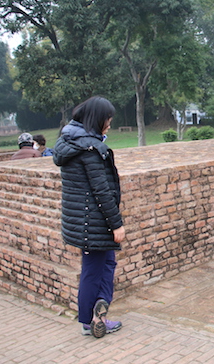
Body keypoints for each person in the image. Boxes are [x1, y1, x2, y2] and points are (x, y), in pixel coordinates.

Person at [53, 96, 125, 338]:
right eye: (107, 120)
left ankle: (99, 309)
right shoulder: (91, 149)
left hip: (82, 221)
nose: (109, 125)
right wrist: (116, 224)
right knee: (94, 269)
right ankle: (90, 320)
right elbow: (101, 191)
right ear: (97, 119)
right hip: (93, 222)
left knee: (106, 263)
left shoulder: (70, 142)